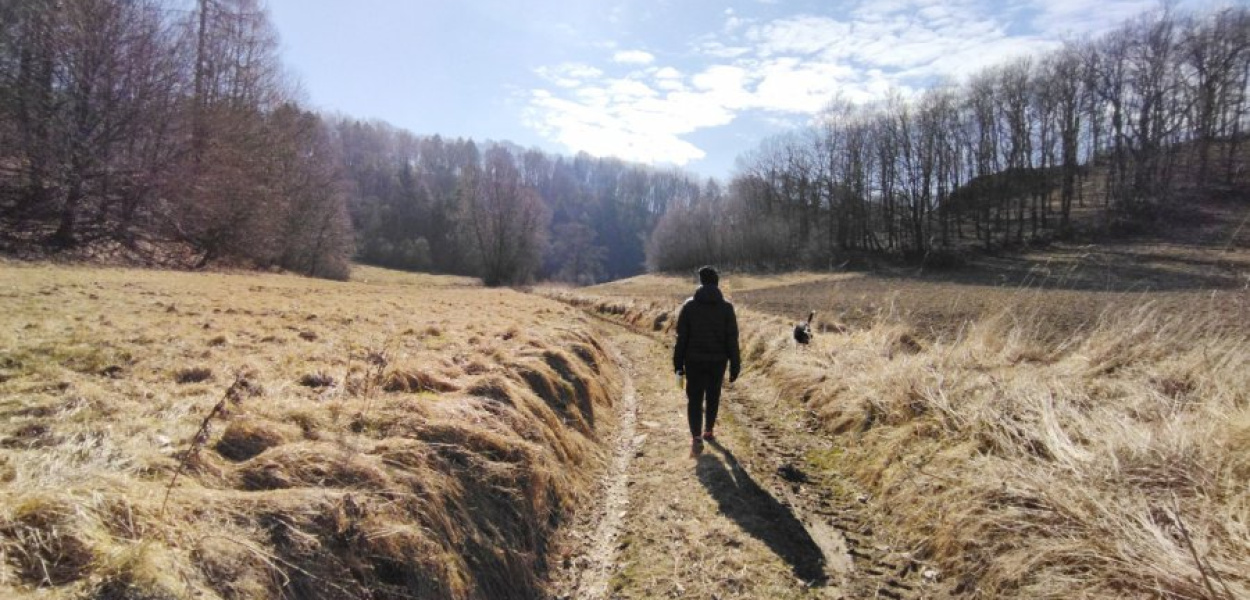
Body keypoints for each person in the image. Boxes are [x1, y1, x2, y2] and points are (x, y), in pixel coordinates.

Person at [673, 266, 741, 456]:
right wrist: (735, 364)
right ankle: (708, 431)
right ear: (717, 282)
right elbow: (732, 339)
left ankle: (696, 438)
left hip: (693, 361)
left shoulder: (689, 306)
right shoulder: (727, 308)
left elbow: (681, 338)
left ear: (701, 282)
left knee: (694, 399)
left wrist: (678, 364)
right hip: (718, 362)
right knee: (713, 396)